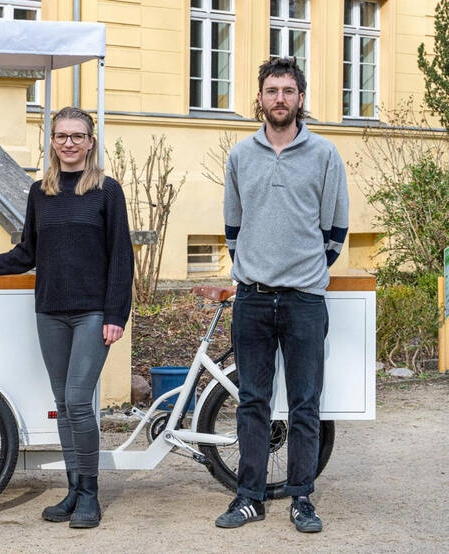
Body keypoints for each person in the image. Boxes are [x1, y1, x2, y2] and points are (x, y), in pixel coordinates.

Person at [0, 106, 133, 529]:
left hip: (92, 313)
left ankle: (89, 494)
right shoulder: (39, 192)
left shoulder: (107, 191)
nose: (69, 143)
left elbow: (122, 257)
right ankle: (72, 490)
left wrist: (116, 313)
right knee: (62, 405)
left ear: (90, 142)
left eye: (77, 136)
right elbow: (28, 251)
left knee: (79, 402)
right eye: (61, 136)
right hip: (50, 310)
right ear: (51, 141)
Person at [217, 57, 349, 533]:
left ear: (300, 98)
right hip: (252, 298)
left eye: (288, 91)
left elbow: (335, 229)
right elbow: (233, 226)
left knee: (304, 404)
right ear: (259, 98)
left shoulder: (324, 154)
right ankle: (249, 496)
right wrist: (255, 265)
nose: (279, 99)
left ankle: (302, 499)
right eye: (271, 90)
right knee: (252, 401)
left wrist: (304, 270)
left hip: (304, 300)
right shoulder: (240, 156)